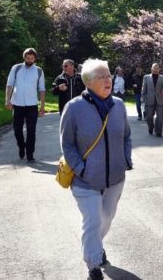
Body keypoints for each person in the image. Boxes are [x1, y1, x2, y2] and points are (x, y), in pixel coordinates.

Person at [60, 58, 132, 280]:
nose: (108, 79)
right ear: (88, 83)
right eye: (101, 76)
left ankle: (95, 246)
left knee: (106, 218)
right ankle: (93, 263)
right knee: (93, 220)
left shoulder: (118, 105)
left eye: (108, 75)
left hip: (115, 178)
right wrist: (81, 169)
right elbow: (67, 144)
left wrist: (125, 159)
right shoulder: (74, 108)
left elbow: (127, 136)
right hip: (85, 180)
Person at [5, 48, 46, 162]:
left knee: (31, 130)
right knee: (17, 130)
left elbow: (42, 89)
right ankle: (21, 146)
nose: (30, 60)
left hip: (32, 105)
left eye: (32, 58)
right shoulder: (16, 68)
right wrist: (7, 100)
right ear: (24, 57)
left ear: (35, 59)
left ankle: (30, 154)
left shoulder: (39, 71)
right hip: (17, 104)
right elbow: (9, 84)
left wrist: (42, 107)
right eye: (28, 58)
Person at [141, 63, 163, 136]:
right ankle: (151, 127)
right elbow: (144, 88)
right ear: (151, 69)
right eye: (154, 68)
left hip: (159, 100)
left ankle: (158, 132)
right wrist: (142, 98)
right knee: (149, 117)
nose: (155, 69)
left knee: (160, 117)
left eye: (157, 68)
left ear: (159, 69)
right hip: (149, 99)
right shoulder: (146, 77)